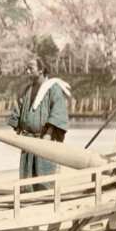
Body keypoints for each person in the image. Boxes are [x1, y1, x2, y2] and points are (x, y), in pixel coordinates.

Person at [6, 56, 71, 191]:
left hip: (44, 139)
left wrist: (48, 134)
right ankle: (27, 199)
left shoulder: (53, 89)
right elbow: (20, 108)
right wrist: (18, 130)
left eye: (31, 69)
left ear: (41, 70)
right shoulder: (28, 89)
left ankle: (46, 199)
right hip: (28, 139)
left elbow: (57, 112)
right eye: (27, 69)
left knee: (44, 173)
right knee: (27, 177)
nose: (28, 72)